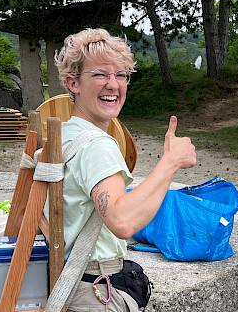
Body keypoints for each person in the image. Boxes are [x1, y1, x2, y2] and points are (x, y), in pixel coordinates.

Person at [54, 28, 197, 311]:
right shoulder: (96, 145)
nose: (113, 84)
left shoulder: (65, 132)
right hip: (92, 292)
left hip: (66, 279)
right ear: (73, 83)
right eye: (99, 75)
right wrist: (171, 162)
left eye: (121, 75)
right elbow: (122, 221)